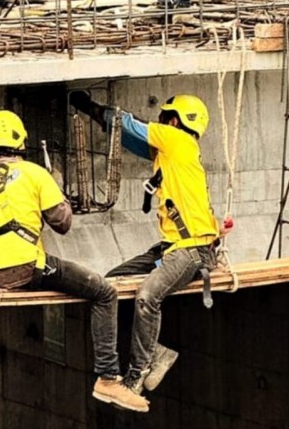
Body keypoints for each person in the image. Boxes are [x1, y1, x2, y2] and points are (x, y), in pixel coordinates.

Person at [0, 110, 150, 413]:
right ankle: (108, 377)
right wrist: (57, 187)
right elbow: (62, 224)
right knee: (104, 291)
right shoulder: (35, 173)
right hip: (25, 266)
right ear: (21, 142)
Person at [69, 90, 229, 396]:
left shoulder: (177, 140)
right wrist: (103, 121)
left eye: (164, 119)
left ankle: (137, 375)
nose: (160, 124)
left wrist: (89, 106)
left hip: (193, 250)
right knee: (110, 285)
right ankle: (156, 352)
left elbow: (126, 123)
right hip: (173, 248)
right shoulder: (171, 153)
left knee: (146, 297)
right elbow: (125, 136)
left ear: (174, 121)